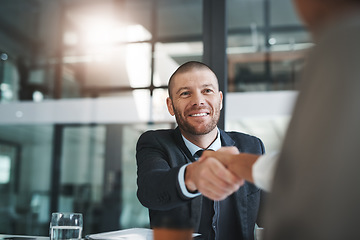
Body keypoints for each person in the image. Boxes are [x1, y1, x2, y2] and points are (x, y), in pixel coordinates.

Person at [202, 0, 360, 239]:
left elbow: (307, 184)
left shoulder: (343, 41)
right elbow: (293, 172)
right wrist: (234, 163)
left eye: (208, 91)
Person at [136, 61, 265, 240]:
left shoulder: (251, 146)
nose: (198, 101)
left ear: (220, 100)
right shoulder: (155, 142)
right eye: (185, 93)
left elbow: (273, 213)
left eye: (207, 91)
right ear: (171, 105)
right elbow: (150, 191)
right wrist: (192, 175)